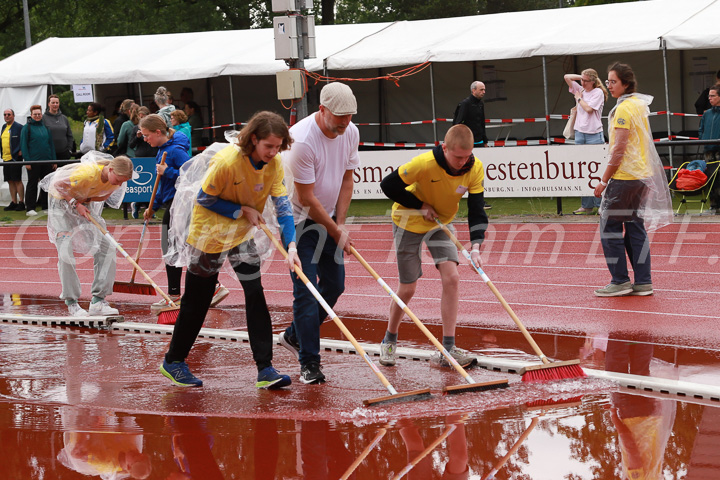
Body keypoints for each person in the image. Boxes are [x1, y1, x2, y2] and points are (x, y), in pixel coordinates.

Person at [159, 111, 299, 389]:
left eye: (278, 146)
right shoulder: (227, 162)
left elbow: (282, 206)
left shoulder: (275, 164)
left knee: (255, 293)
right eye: (268, 146)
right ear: (254, 140)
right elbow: (204, 199)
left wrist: (291, 245)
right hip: (208, 234)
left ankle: (265, 368)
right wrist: (241, 210)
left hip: (239, 234)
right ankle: (173, 361)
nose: (273, 152)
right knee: (198, 301)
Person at [377, 124, 487, 368]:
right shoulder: (424, 163)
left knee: (452, 278)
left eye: (467, 156)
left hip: (440, 224)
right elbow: (388, 185)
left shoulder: (475, 168)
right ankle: (389, 340)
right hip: (408, 221)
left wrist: (476, 246)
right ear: (444, 148)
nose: (462, 162)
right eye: (457, 157)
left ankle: (448, 350)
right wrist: (420, 204)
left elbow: (477, 210)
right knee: (407, 289)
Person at [278, 82, 360, 385]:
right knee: (306, 289)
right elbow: (307, 199)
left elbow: (347, 179)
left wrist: (340, 225)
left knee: (334, 287)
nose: (344, 122)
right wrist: (336, 231)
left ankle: (293, 335)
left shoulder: (350, 131)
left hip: (328, 219)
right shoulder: (301, 141)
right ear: (322, 109)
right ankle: (309, 362)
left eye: (349, 116)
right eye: (339, 116)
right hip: (299, 220)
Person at [593, 62, 672, 297]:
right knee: (635, 227)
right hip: (641, 175)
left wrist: (604, 180)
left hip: (625, 177)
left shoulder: (625, 109)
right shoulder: (639, 104)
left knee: (610, 228)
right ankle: (643, 281)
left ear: (626, 83)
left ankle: (620, 281)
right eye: (607, 81)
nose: (609, 85)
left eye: (613, 81)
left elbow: (619, 148)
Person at [139, 114, 228, 313]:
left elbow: (193, 175)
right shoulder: (162, 150)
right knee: (176, 247)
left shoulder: (175, 151)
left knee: (174, 247)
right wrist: (154, 205)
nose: (145, 139)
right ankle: (208, 288)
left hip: (182, 206)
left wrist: (168, 171)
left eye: (146, 135)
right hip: (171, 203)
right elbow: (164, 185)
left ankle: (178, 295)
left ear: (158, 132)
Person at [43, 154, 133, 316]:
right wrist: (75, 203)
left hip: (83, 203)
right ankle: (72, 302)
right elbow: (58, 185)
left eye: (123, 181)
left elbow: (104, 196)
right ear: (111, 169)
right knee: (65, 252)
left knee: (108, 248)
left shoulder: (118, 180)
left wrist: (84, 201)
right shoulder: (87, 173)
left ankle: (98, 301)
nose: (120, 184)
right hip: (61, 203)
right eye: (119, 179)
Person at [565, 69, 608, 215]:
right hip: (579, 133)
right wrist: (580, 77)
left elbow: (589, 109)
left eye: (585, 80)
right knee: (583, 170)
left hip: (594, 134)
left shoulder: (598, 93)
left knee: (597, 170)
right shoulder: (581, 88)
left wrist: (578, 98)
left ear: (593, 82)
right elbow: (566, 77)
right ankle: (586, 205)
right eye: (582, 80)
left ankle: (600, 204)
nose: (582, 83)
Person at [452, 81, 491, 209]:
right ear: (473, 90)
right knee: (463, 171)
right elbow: (457, 123)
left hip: (479, 142)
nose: (483, 92)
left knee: (478, 172)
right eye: (481, 90)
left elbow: (482, 123)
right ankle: (453, 198)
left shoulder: (481, 104)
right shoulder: (464, 104)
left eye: (484, 90)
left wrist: (485, 141)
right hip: (466, 145)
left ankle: (480, 201)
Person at [21, 105, 56, 216]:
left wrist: (53, 160)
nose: (37, 116)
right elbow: (24, 145)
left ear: (41, 115)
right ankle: (30, 208)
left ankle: (46, 207)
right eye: (35, 114)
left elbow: (51, 145)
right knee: (32, 184)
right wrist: (27, 161)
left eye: (39, 114)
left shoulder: (46, 128)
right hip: (33, 161)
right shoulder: (27, 128)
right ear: (31, 115)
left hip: (47, 161)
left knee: (46, 184)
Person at [698, 85, 720, 209]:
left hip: (719, 149)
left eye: (713, 96)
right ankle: (714, 205)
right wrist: (703, 140)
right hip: (708, 150)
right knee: (711, 178)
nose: (710, 98)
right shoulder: (707, 114)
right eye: (709, 96)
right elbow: (701, 129)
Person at [1, 108, 24, 211]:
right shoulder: (3, 127)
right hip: (5, 158)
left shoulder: (19, 127)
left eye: (9, 114)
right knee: (10, 180)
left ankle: (21, 202)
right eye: (5, 114)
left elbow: (24, 139)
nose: (6, 116)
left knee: (17, 180)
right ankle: (13, 201)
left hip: (15, 158)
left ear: (13, 116)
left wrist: (21, 150)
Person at [43, 94, 75, 162]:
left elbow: (70, 136)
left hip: (64, 154)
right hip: (49, 155)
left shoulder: (64, 118)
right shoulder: (43, 118)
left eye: (57, 103)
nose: (55, 105)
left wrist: (69, 149)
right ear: (49, 104)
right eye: (53, 103)